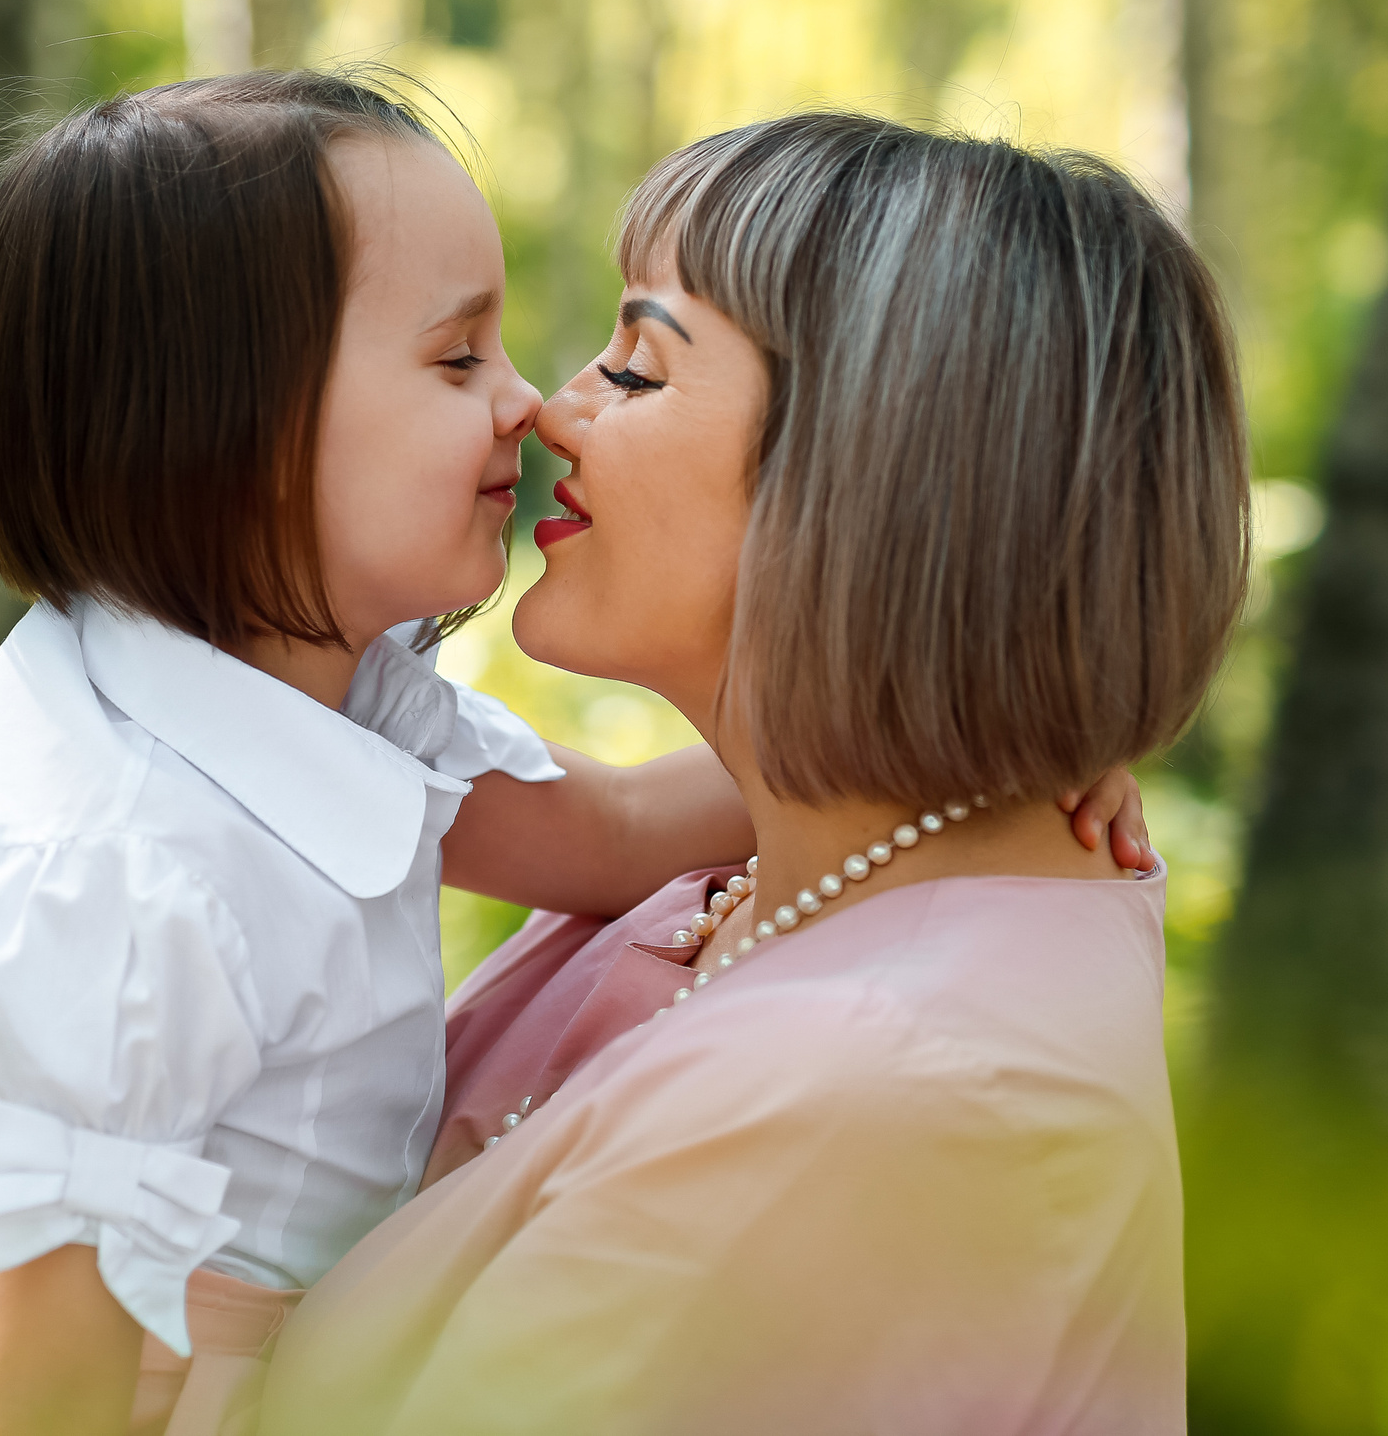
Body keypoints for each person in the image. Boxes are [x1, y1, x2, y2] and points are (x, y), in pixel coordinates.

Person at [0, 74, 1153, 1436]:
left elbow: (621, 826)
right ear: (232, 445)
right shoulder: (115, 865)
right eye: (459, 362)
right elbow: (38, 1371)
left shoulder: (342, 705)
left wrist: (990, 745)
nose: (536, 407)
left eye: (631, 366)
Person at [258, 112, 1250, 1435]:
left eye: (638, 370)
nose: (552, 407)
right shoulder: (787, 864)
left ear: (876, 472)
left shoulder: (864, 1099)